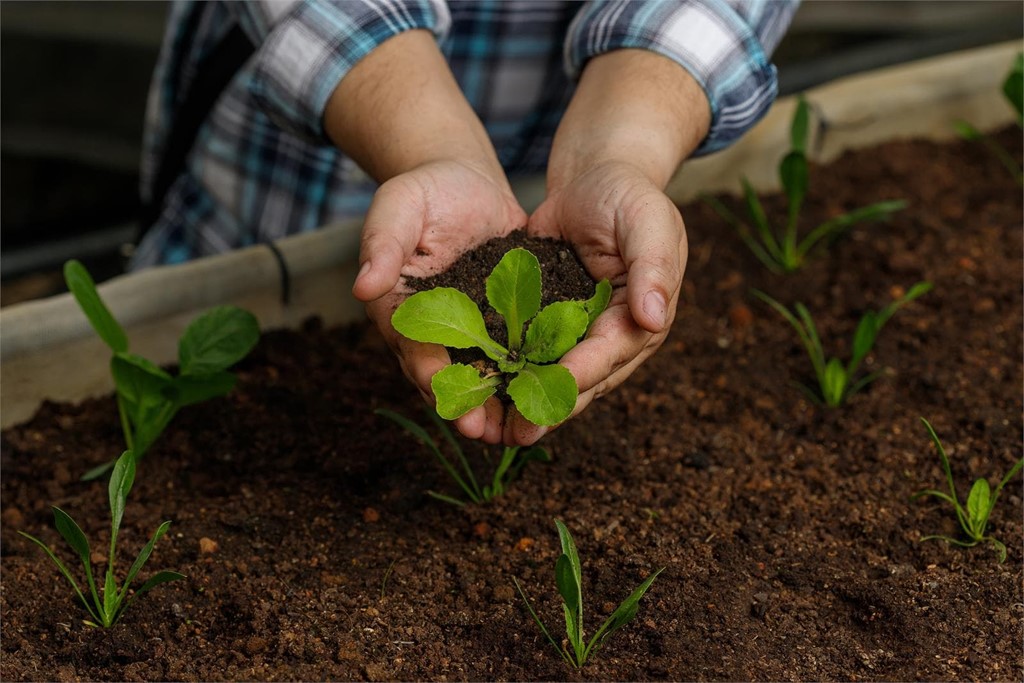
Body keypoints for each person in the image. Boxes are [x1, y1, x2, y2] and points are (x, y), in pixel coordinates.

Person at [135, 0, 798, 446]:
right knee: (198, 374)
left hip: (575, 120)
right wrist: (430, 146)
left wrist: (618, 153)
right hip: (282, 176)